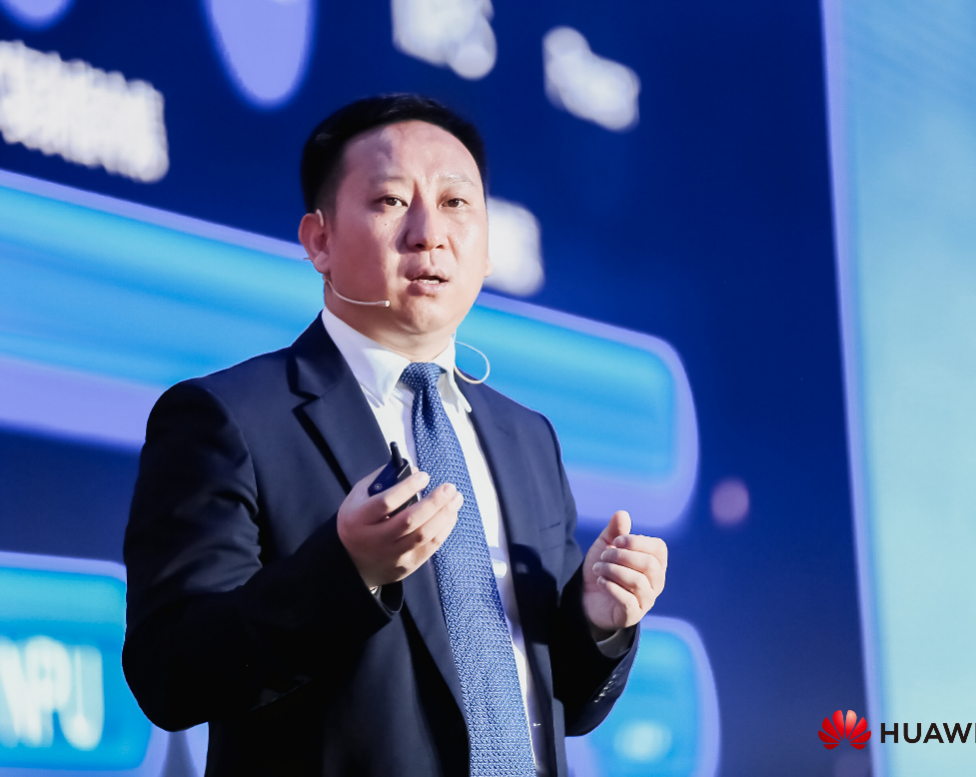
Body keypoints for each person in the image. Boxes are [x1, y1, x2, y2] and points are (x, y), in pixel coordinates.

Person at [122, 93, 669, 776]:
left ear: (487, 247)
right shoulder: (226, 417)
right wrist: (346, 573)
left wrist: (596, 620)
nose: (427, 233)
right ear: (319, 241)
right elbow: (171, 673)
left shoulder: (528, 437)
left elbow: (561, 705)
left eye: (455, 203)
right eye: (390, 201)